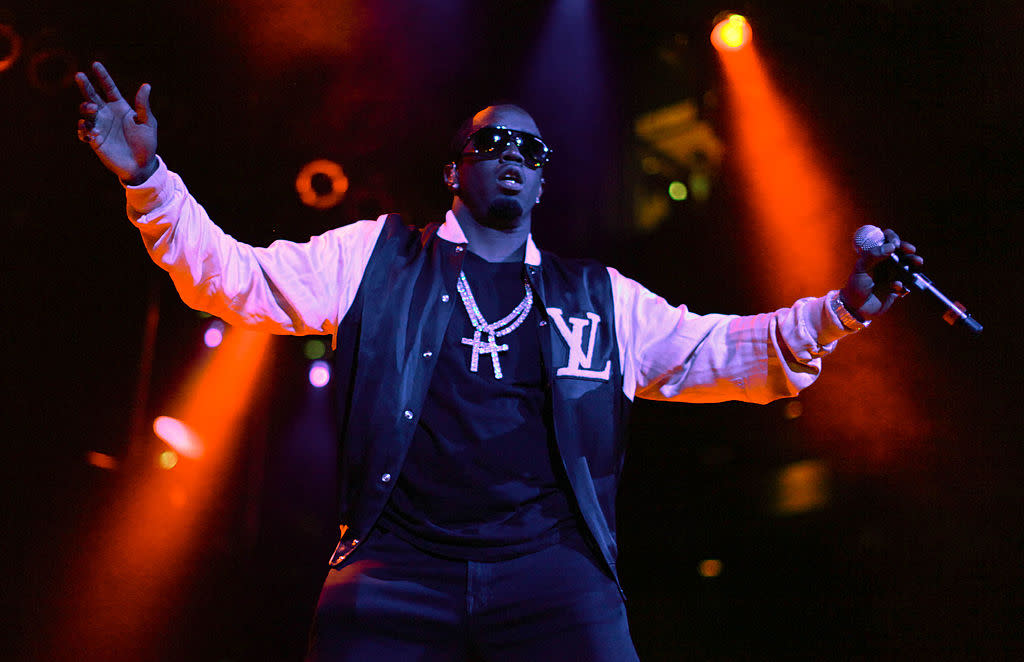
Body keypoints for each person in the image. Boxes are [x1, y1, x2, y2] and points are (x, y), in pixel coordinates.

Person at [75, 61, 920, 661]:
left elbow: (716, 352)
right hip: (395, 568)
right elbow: (234, 279)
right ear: (455, 170)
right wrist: (149, 178)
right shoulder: (374, 257)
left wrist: (839, 311)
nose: (514, 154)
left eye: (532, 151)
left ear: (543, 183)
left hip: (551, 575)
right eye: (493, 144)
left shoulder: (598, 294)